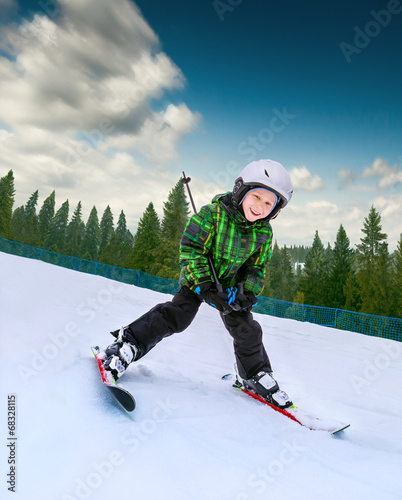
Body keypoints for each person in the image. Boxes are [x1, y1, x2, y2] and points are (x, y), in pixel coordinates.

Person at [99, 159, 294, 408]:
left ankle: (254, 374)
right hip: (199, 279)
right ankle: (127, 345)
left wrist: (248, 292)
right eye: (257, 196)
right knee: (177, 315)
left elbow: (256, 267)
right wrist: (205, 285)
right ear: (241, 191)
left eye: (269, 203)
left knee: (246, 329)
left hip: (230, 288)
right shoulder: (212, 215)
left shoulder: (264, 234)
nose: (260, 207)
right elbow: (191, 250)